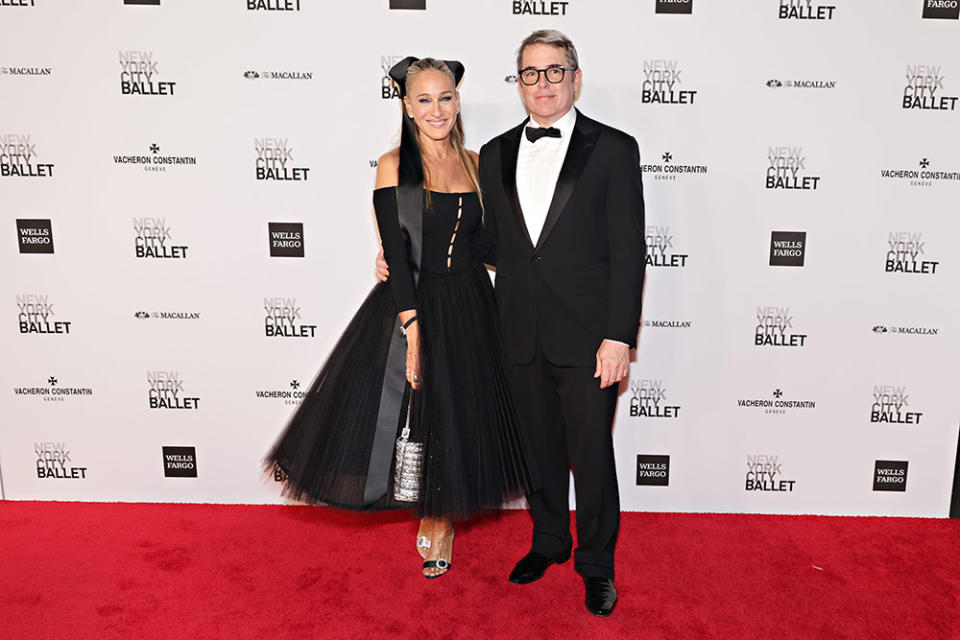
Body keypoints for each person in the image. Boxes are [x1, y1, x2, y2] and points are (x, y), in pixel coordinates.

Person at [379, 29, 646, 616]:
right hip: (513, 329)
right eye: (531, 73)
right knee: (537, 450)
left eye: (555, 71)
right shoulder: (494, 154)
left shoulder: (614, 149)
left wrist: (620, 336)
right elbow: (483, 243)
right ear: (518, 82)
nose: (543, 84)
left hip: (588, 337)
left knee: (592, 456)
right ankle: (549, 542)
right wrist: (409, 258)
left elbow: (631, 252)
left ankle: (596, 565)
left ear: (576, 79)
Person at [266, 56, 537, 579]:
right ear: (408, 107)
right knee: (418, 415)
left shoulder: (479, 163)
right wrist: (413, 332)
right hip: (412, 305)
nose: (438, 109)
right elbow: (397, 247)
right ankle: (431, 516)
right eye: (425, 100)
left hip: (472, 303)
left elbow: (490, 246)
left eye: (446, 97)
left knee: (459, 416)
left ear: (457, 101)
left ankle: (441, 518)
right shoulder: (394, 165)